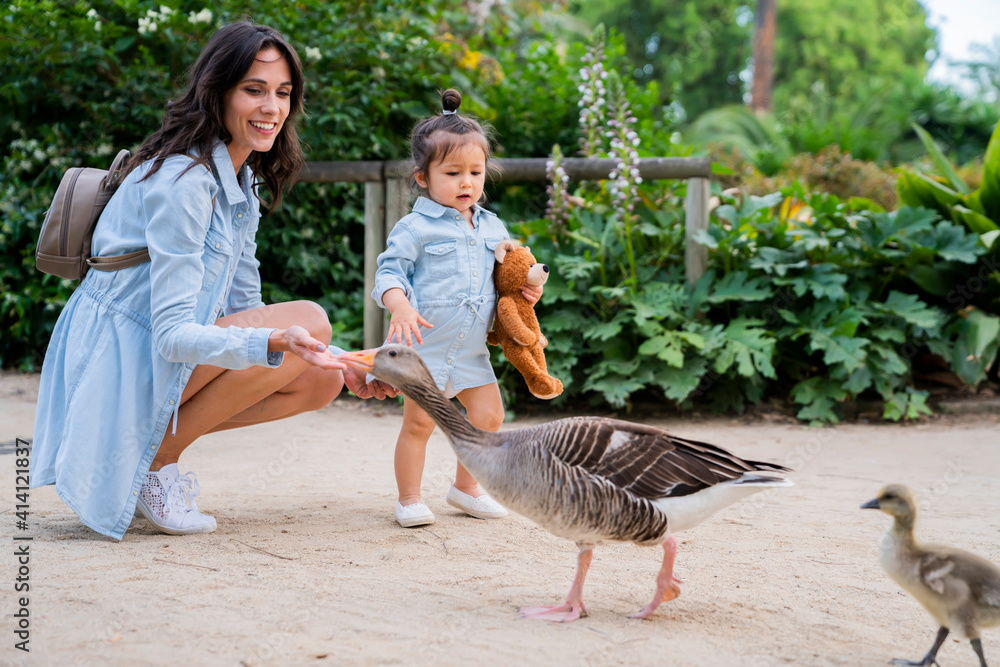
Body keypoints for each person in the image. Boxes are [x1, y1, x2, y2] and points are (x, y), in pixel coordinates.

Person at [31, 22, 396, 540]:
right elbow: (172, 335)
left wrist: (341, 359)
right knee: (308, 321)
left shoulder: (240, 180)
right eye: (254, 90)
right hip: (118, 359)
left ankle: (146, 457)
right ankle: (152, 465)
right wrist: (278, 338)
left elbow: (248, 307)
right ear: (216, 92)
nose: (272, 107)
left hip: (150, 356)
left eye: (283, 93)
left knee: (320, 379)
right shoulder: (183, 182)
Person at [372, 89, 542, 528]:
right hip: (426, 344)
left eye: (475, 172)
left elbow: (506, 277)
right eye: (452, 173)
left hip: (470, 348)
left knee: (489, 416)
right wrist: (400, 308)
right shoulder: (415, 228)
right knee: (419, 425)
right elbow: (388, 274)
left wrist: (526, 294)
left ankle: (466, 488)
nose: (466, 183)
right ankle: (409, 499)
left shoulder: (492, 226)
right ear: (423, 177)